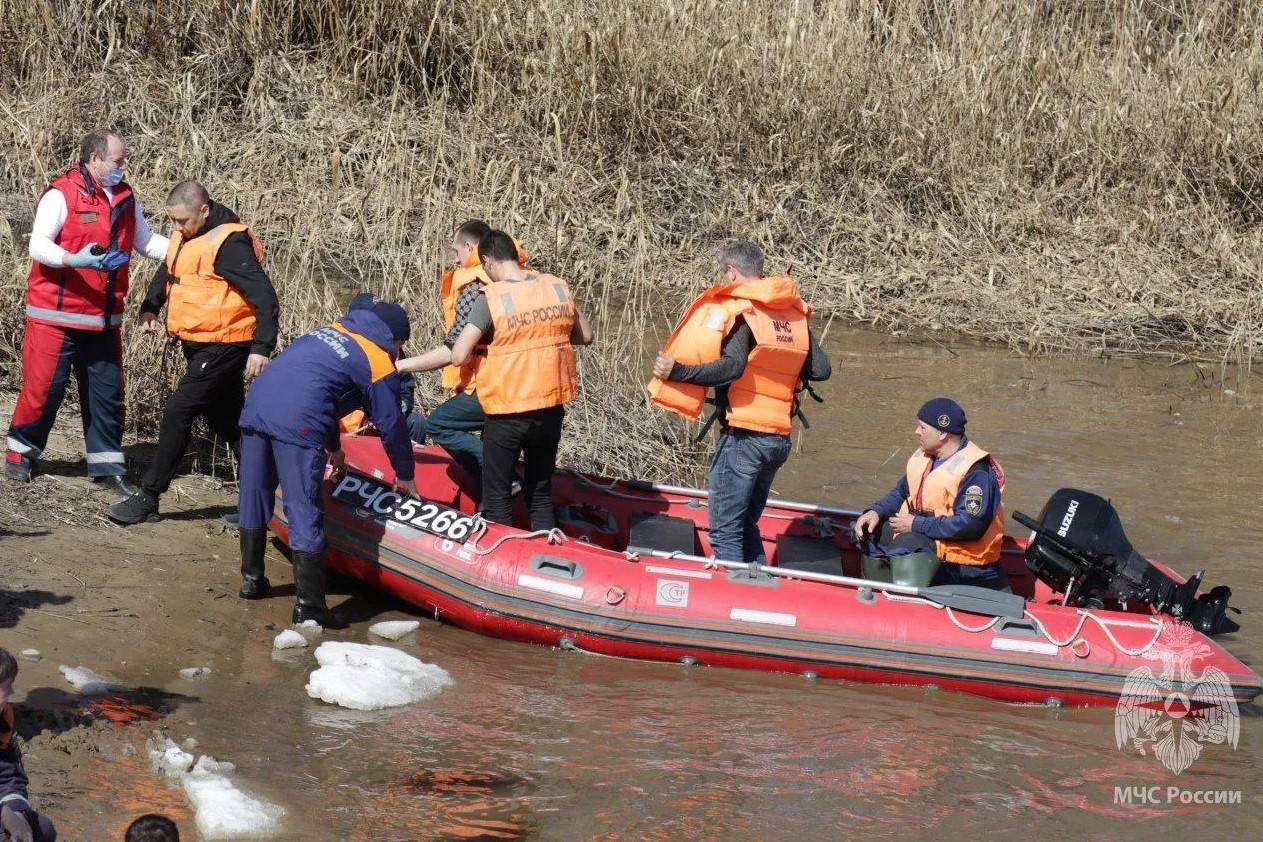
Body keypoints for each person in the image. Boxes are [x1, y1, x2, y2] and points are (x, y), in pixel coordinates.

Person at [235, 299, 419, 627]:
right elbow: (392, 425)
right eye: (401, 346)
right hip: (298, 420)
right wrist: (405, 475)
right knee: (304, 506)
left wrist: (333, 445)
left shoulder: (329, 332)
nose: (400, 353)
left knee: (254, 493)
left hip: (257, 406)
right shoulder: (377, 359)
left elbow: (320, 388)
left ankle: (252, 581)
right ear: (394, 340)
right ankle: (310, 608)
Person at [5, 129, 169, 494]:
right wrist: (72, 259)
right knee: (44, 389)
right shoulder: (61, 193)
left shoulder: (126, 197)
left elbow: (146, 242)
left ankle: (107, 466)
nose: (123, 167)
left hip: (103, 319)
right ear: (94, 159)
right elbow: (38, 244)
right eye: (118, 161)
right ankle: (20, 453)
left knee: (107, 394)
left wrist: (192, 251)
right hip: (54, 316)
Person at [107, 181, 279, 525]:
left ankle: (149, 496)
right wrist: (150, 307)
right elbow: (171, 268)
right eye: (172, 221)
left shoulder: (230, 243)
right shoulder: (186, 235)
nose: (176, 228)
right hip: (200, 344)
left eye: (181, 221)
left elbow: (265, 296)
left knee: (178, 411)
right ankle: (263, 498)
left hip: (226, 345)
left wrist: (261, 348)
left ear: (203, 209)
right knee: (227, 421)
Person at [649, 240, 831, 565]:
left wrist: (677, 371)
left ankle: (736, 595)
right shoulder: (792, 313)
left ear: (731, 272)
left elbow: (732, 368)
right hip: (778, 440)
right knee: (746, 524)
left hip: (745, 438)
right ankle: (759, 590)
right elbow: (821, 369)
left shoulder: (746, 311)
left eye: (724, 274)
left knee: (725, 530)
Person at [447, 230, 593, 527]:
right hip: (550, 411)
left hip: (508, 412)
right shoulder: (555, 287)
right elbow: (586, 336)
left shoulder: (492, 297)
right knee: (539, 494)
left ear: (487, 260)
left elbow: (458, 355)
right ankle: (545, 552)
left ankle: (500, 563)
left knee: (498, 498)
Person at [396, 219, 528, 496]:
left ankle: (499, 473)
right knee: (492, 441)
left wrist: (402, 366)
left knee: (439, 425)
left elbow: (455, 352)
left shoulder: (475, 289)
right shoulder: (528, 279)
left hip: (491, 385)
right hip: (527, 384)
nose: (454, 259)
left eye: (456, 251)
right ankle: (496, 497)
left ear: (470, 247)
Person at [852, 398, 1011, 591]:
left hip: (966, 563)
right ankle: (874, 593)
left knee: (908, 544)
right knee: (869, 531)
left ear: (942, 433)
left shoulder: (977, 473)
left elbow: (971, 526)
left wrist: (915, 525)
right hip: (929, 537)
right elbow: (901, 492)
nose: (916, 431)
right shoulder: (928, 458)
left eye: (922, 427)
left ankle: (905, 604)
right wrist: (876, 511)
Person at [337, 293, 422, 444]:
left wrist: (393, 411)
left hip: (381, 420)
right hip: (349, 421)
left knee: (416, 422)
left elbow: (405, 391)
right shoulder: (343, 345)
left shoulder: (393, 350)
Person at [0, 649, 58, 842]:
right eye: (6, 686)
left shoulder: (3, 721)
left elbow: (8, 776)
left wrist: (16, 814)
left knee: (42, 830)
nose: (12, 692)